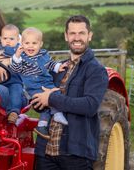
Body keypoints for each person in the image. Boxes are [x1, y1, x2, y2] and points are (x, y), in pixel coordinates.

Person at [31, 15, 109, 170]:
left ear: (90, 36)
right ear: (66, 36)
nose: (77, 38)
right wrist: (37, 99)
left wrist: (52, 98)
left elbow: (90, 105)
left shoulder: (96, 70)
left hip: (75, 154)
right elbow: (41, 104)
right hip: (46, 151)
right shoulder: (58, 69)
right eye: (72, 33)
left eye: (81, 33)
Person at [9, 27, 68, 139]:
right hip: (33, 87)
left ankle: (42, 125)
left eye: (34, 43)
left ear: (40, 44)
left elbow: (50, 64)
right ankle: (57, 114)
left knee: (56, 95)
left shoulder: (43, 55)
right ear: (21, 44)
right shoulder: (21, 58)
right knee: (45, 100)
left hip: (47, 83)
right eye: (27, 43)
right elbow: (15, 69)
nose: (30, 46)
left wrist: (58, 67)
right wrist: (16, 56)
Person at [0, 24, 23, 124]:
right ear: (1, 39)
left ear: (18, 40)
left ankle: (13, 111)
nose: (8, 41)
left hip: (14, 80)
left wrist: (7, 59)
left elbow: (21, 62)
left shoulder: (19, 49)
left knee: (16, 91)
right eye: (5, 38)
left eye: (11, 38)